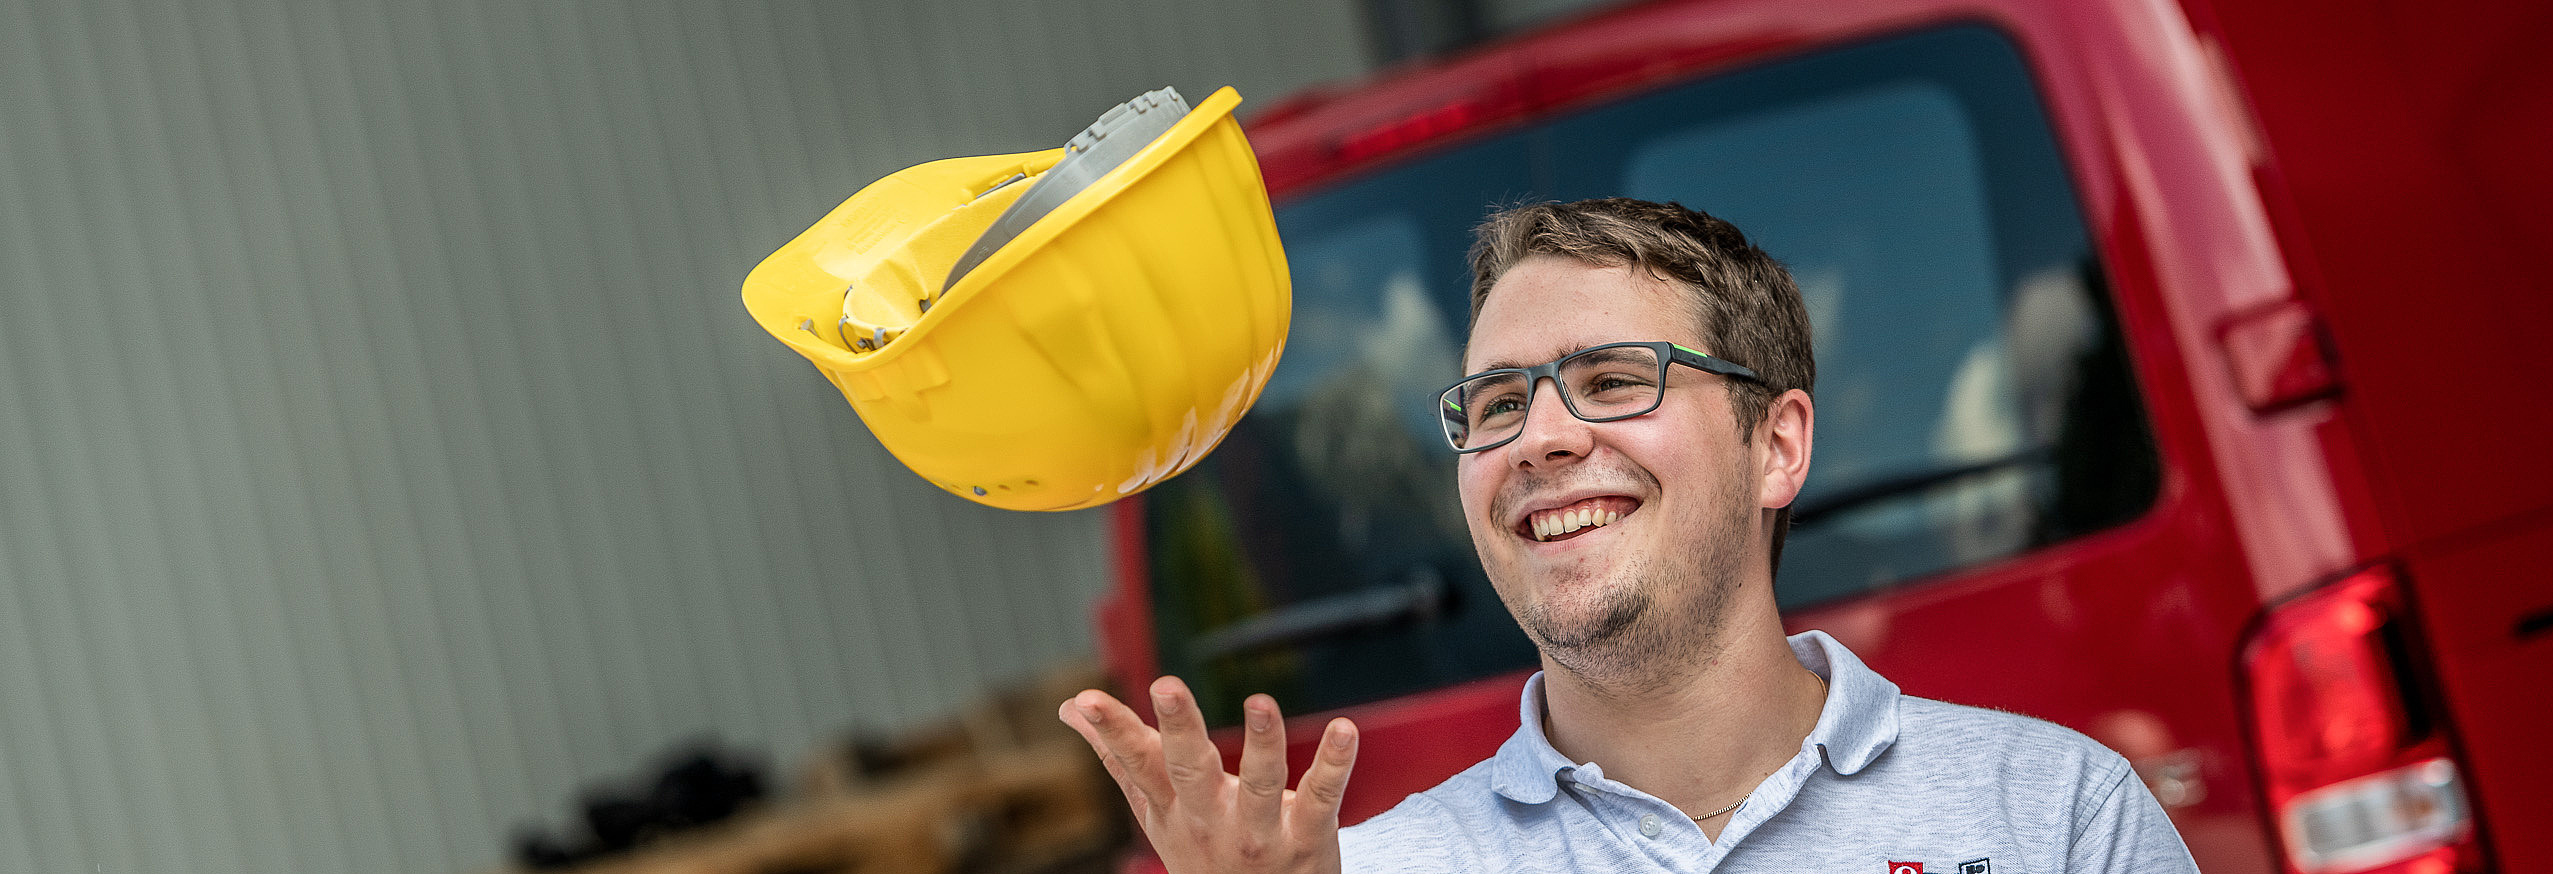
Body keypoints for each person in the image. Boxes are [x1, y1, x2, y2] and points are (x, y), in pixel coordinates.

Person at [1059, 198, 2200, 873]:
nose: (1537, 439)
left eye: (1614, 379)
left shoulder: (2056, 816)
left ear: (1777, 447)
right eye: (1496, 405)